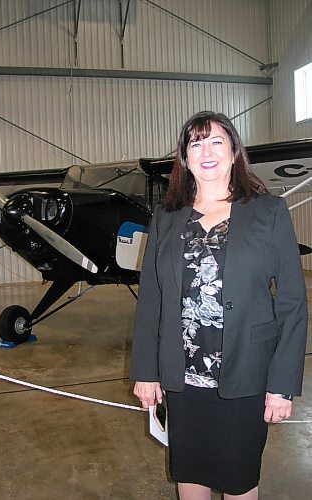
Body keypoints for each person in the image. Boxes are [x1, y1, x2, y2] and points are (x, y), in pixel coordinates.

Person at [130, 111, 308, 499]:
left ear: (233, 152)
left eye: (216, 141)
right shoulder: (166, 216)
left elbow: (293, 303)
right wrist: (146, 372)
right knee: (190, 473)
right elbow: (152, 300)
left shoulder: (268, 211)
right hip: (183, 376)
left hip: (246, 374)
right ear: (185, 158)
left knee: (239, 478)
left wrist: (282, 386)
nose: (206, 151)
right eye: (196, 143)